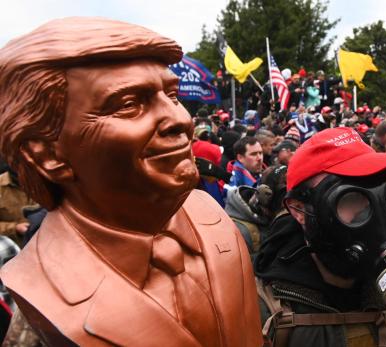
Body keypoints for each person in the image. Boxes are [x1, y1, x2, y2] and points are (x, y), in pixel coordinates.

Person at [0, 17, 261, 346]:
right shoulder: (38, 286)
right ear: (47, 155)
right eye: (129, 105)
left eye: (173, 96)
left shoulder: (213, 216)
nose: (180, 120)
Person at [255, 128, 386, 347]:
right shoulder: (264, 309)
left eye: (383, 192)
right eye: (351, 197)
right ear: (299, 211)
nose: (375, 212)